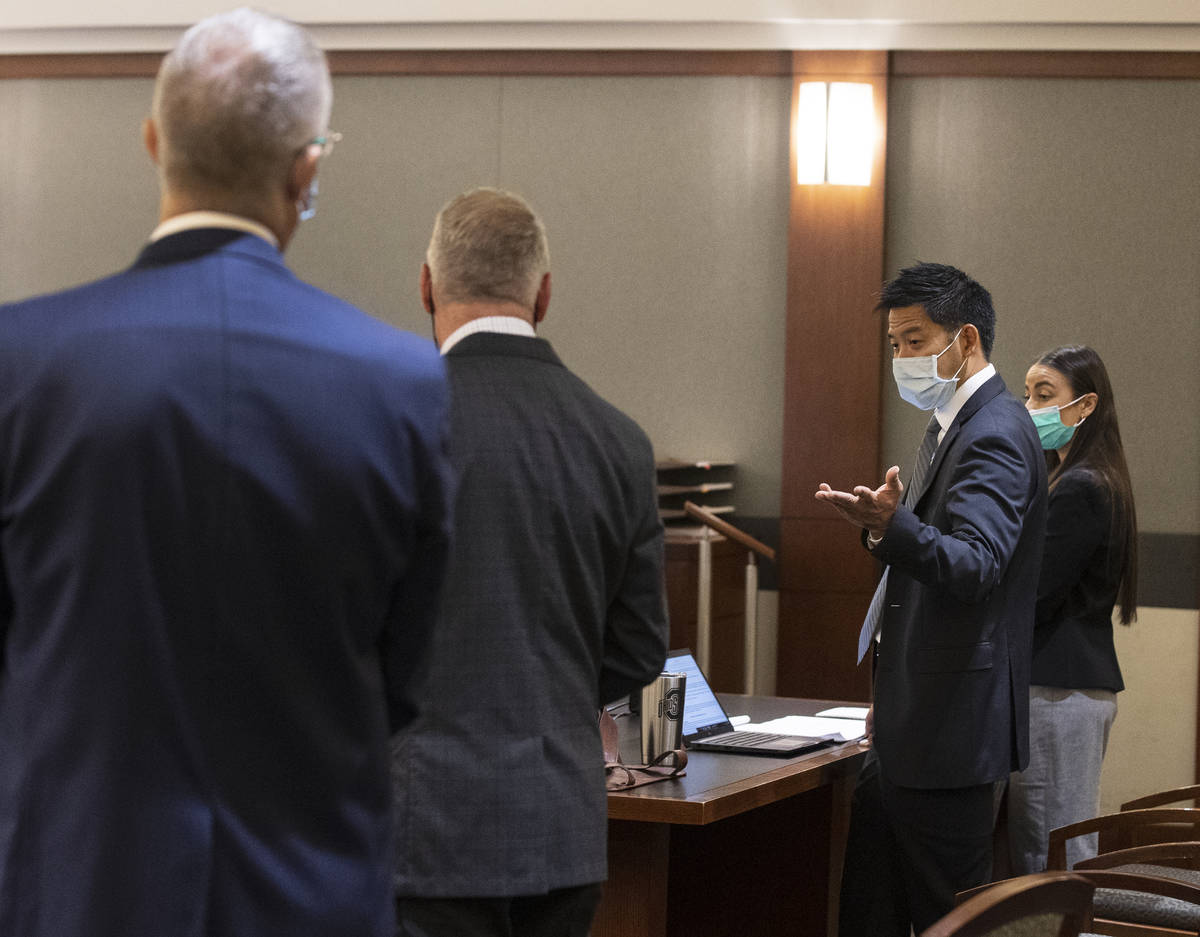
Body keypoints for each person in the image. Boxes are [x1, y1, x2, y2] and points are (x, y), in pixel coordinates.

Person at [0, 10, 451, 937]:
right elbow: (403, 676)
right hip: (311, 895)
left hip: (80, 892)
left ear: (154, 141)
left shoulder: (20, 362)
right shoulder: (403, 383)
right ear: (306, 169)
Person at [391, 187, 669, 937]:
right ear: (543, 294)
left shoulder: (385, 425)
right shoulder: (619, 440)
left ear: (426, 285)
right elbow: (639, 649)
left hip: (421, 834)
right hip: (562, 832)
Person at [814, 262, 1048, 936]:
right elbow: (932, 554)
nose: (902, 359)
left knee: (946, 921)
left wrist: (896, 528)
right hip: (915, 729)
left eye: (916, 342)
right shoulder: (954, 423)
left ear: (965, 339)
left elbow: (976, 563)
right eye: (894, 345)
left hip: (949, 739)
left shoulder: (995, 431)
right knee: (871, 909)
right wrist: (884, 531)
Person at [1006, 345, 1138, 872]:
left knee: (1051, 852)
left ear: (1085, 407)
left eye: (1045, 395)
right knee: (1049, 846)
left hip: (1058, 690)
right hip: (1062, 689)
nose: (1030, 407)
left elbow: (1034, 596)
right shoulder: (1071, 478)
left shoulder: (1082, 486)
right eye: (1026, 394)